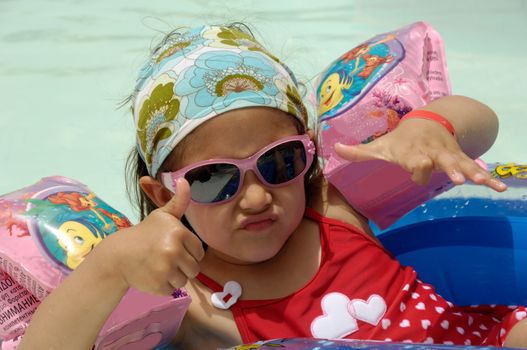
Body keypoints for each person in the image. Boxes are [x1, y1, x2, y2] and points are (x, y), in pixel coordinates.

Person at [19, 24, 527, 349]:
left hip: (485, 337)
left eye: (280, 161)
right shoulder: (189, 297)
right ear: (161, 195)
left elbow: (481, 123)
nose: (258, 196)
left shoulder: (332, 202)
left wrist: (430, 127)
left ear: (307, 153)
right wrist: (107, 265)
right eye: (216, 178)